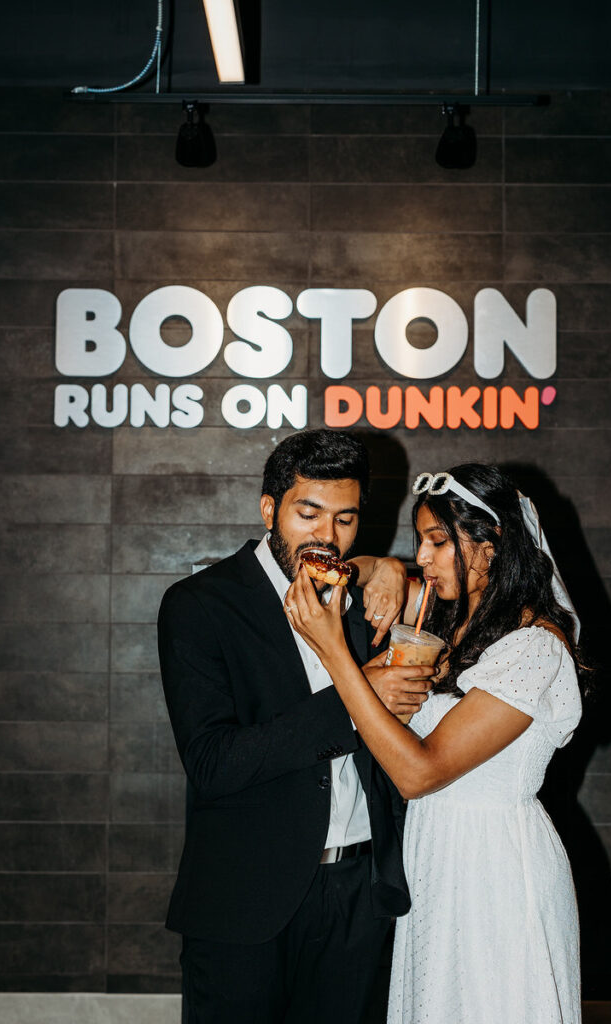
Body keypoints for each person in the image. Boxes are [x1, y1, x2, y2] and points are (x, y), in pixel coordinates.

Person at [285, 463, 587, 1024]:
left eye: (438, 541)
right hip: (436, 856)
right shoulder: (452, 630)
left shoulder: (533, 651)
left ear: (491, 544)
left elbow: (419, 773)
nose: (422, 556)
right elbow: (374, 569)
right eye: (422, 540)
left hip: (495, 866)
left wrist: (333, 651)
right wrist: (389, 571)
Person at [157, 429, 433, 1024]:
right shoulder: (200, 605)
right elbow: (212, 762)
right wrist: (356, 700)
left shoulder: (366, 596)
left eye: (345, 520)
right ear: (269, 509)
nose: (327, 537)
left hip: (363, 896)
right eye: (308, 514)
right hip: (244, 900)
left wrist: (386, 565)